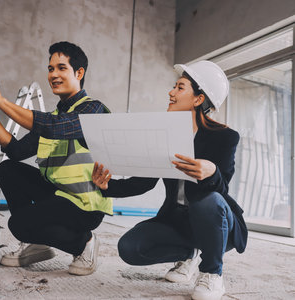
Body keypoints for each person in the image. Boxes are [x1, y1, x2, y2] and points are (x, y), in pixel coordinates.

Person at [92, 61, 247, 299]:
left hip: (216, 224)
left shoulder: (225, 137)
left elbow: (222, 188)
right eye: (174, 87)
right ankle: (190, 254)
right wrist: (107, 186)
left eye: (180, 87)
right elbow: (144, 182)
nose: (171, 92)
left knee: (209, 200)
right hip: (178, 221)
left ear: (198, 99)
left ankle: (212, 273)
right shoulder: (164, 134)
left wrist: (212, 171)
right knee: (129, 248)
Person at [0, 41, 112, 276]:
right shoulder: (56, 116)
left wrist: (0, 100)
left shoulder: (93, 110)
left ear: (79, 73)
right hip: (59, 196)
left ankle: (85, 243)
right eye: (50, 69)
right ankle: (35, 242)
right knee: (8, 169)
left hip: (85, 206)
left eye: (61, 68)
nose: (53, 75)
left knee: (18, 224)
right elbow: (17, 151)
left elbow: (55, 128)